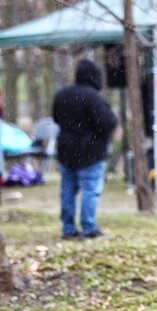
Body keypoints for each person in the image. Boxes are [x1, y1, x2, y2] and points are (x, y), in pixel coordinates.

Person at [52, 59, 118, 239]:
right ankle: (89, 227)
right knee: (90, 190)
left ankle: (67, 228)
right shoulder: (93, 97)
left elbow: (56, 118)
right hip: (90, 152)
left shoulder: (62, 95)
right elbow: (108, 122)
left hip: (66, 150)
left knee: (67, 190)